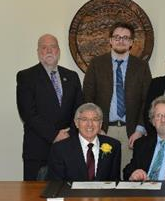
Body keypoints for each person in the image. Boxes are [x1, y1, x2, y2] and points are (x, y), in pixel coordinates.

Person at [83, 22, 152, 171]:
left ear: (131, 42)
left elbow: (147, 101)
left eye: (126, 38)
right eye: (117, 37)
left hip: (132, 132)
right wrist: (97, 126)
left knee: (128, 175)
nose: (121, 41)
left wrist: (140, 130)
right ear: (110, 40)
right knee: (104, 174)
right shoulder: (96, 64)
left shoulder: (141, 66)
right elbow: (88, 98)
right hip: (104, 130)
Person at [16, 34, 83, 180]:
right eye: (44, 47)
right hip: (38, 151)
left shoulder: (72, 76)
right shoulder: (26, 77)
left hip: (67, 148)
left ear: (58, 51)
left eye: (52, 47)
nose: (48, 51)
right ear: (38, 52)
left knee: (66, 197)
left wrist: (68, 134)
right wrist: (54, 135)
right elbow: (28, 114)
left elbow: (79, 111)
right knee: (33, 199)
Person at [47, 103, 121, 181]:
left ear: (101, 124)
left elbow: (114, 181)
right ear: (76, 123)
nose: (90, 124)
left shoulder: (114, 145)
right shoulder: (60, 149)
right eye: (84, 119)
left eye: (95, 119)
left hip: (103, 193)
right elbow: (56, 184)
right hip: (71, 193)